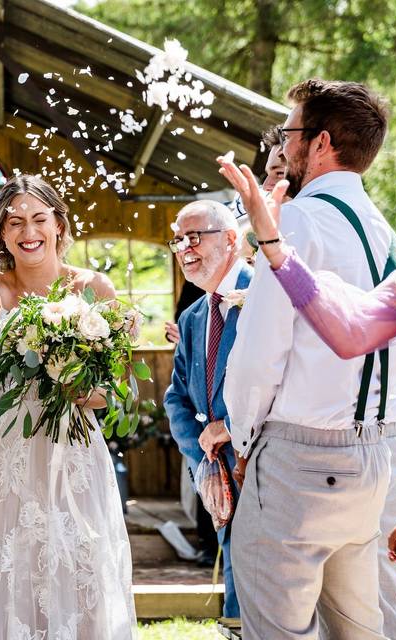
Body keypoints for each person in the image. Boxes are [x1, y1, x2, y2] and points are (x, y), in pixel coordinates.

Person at [222, 79, 396, 640]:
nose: (282, 148)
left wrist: (242, 441)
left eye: (289, 134)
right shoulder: (385, 233)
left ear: (321, 142)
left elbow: (261, 352)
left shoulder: (299, 221)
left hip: (298, 460)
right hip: (374, 458)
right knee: (361, 628)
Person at [0, 174, 136, 639]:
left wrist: (78, 388)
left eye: (38, 219)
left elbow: (115, 390)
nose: (28, 232)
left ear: (58, 224)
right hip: (5, 455)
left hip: (72, 451)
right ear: (2, 234)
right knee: (8, 561)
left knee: (79, 557)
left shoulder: (95, 288)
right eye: (15, 223)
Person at [163, 199, 252, 619]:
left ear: (231, 238)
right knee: (238, 579)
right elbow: (176, 397)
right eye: (178, 240)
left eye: (195, 236)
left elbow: (290, 379)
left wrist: (231, 427)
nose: (185, 248)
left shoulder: (263, 294)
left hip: (265, 465)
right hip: (219, 476)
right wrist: (204, 460)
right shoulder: (194, 316)